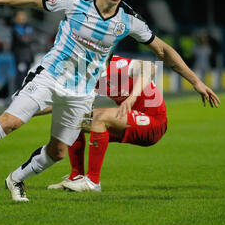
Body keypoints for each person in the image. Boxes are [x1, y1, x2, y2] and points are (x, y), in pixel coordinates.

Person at [0, 0, 220, 202]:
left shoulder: (128, 20)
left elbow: (163, 51)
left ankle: (16, 179)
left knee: (58, 152)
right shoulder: (74, 1)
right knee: (11, 122)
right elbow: (35, 0)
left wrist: (196, 82)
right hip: (49, 75)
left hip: (81, 92)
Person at [45, 54, 166, 192]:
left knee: (100, 117)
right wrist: (24, 113)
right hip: (131, 122)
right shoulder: (89, 75)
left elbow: (150, 67)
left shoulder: (117, 65)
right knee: (75, 119)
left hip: (154, 122)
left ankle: (93, 182)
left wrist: (132, 98)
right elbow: (63, 103)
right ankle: (76, 177)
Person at [11, 11, 34, 90]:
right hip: (20, 57)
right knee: (21, 76)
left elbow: (32, 38)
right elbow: (23, 40)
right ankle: (18, 93)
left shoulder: (28, 27)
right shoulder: (16, 28)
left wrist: (27, 37)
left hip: (28, 57)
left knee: (27, 76)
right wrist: (27, 38)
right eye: (20, 17)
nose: (23, 19)